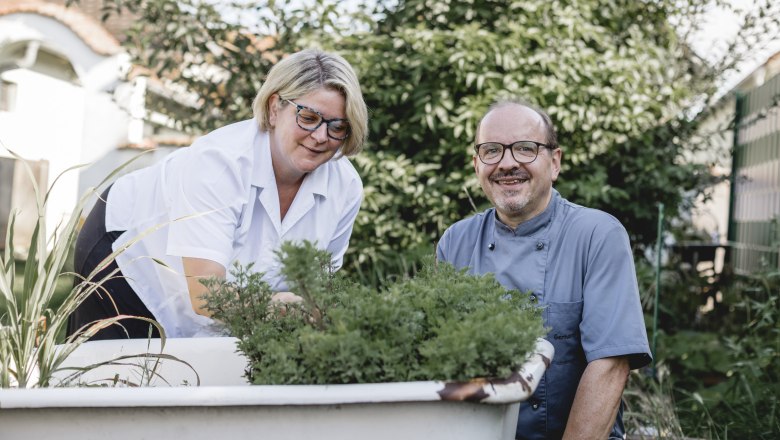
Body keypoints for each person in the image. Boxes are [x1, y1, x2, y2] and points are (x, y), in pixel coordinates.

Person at [68, 49, 368, 340]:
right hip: (124, 248)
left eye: (337, 126)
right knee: (120, 374)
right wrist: (285, 310)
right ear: (275, 108)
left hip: (207, 282)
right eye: (309, 118)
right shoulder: (219, 164)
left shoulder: (346, 188)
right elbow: (208, 296)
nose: (320, 137)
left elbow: (315, 289)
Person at [436, 99, 651, 440]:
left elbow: (610, 366)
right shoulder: (456, 241)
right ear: (477, 165)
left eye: (525, 149)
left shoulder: (598, 235)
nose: (507, 163)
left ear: (554, 162)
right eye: (492, 150)